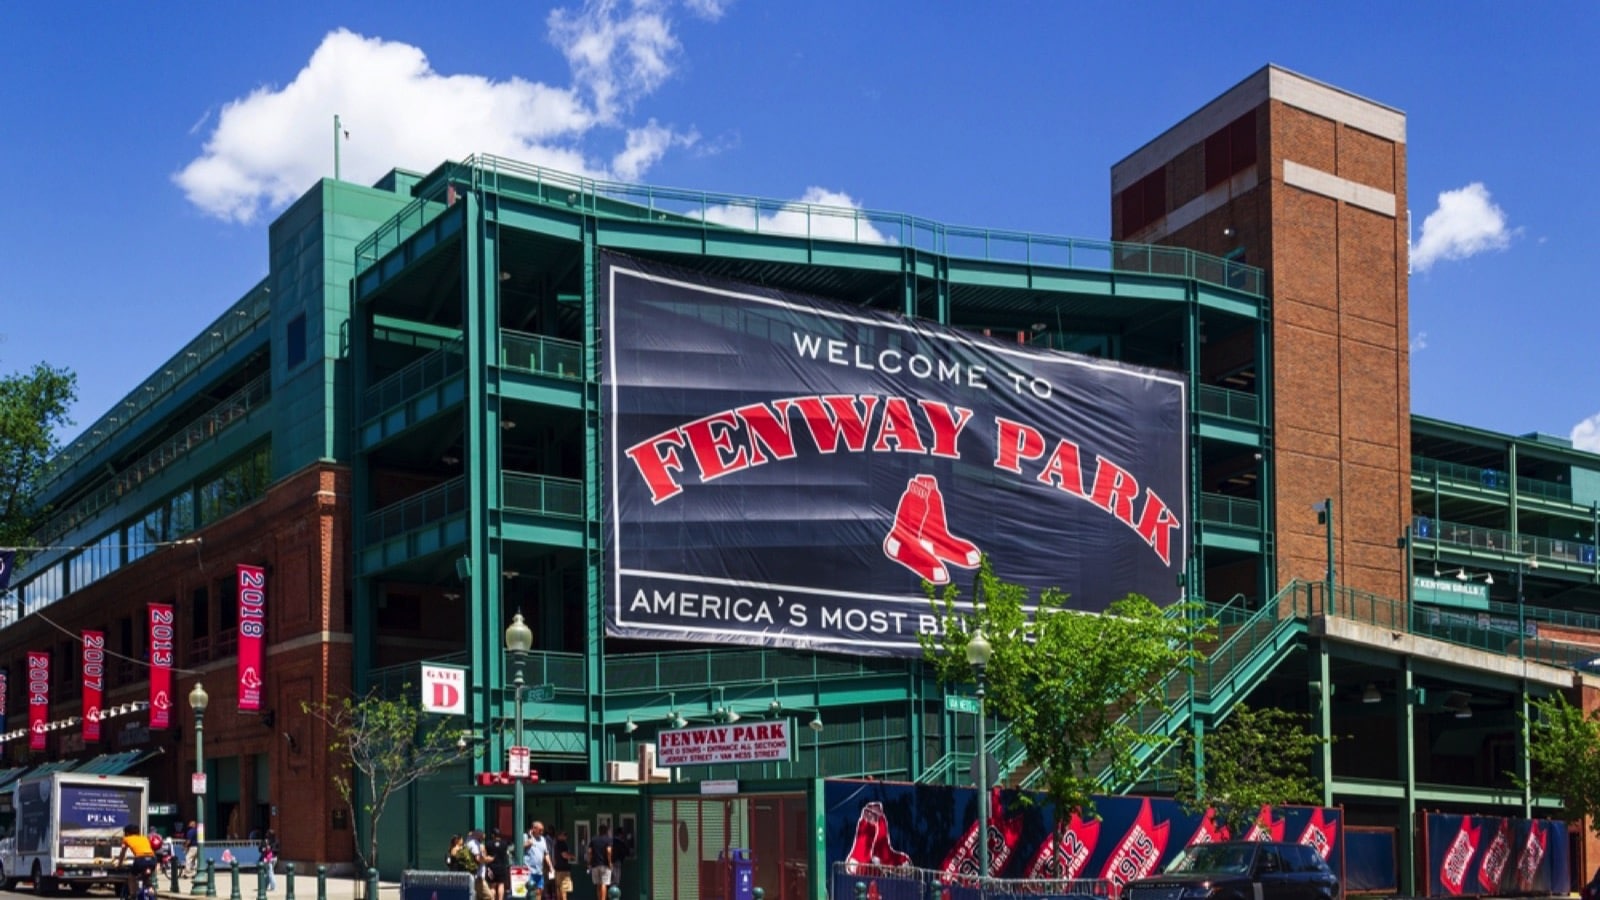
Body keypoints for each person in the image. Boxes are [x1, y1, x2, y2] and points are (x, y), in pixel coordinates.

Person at [116, 824, 158, 900]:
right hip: (152, 859)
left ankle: (133, 895)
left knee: (131, 876)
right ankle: (152, 893)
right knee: (147, 879)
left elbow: (122, 853)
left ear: (127, 833)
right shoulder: (144, 838)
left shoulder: (126, 839)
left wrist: (119, 864)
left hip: (140, 860)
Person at [522, 821, 552, 898]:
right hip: (529, 870)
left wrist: (550, 866)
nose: (542, 832)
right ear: (534, 829)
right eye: (540, 830)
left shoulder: (542, 839)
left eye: (542, 830)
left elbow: (546, 854)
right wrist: (526, 844)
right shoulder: (525, 836)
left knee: (540, 890)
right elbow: (516, 848)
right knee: (529, 891)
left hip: (539, 871)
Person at [585, 823, 614, 895]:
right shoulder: (608, 839)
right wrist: (610, 862)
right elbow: (609, 851)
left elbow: (589, 852)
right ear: (606, 831)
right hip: (605, 865)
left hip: (595, 865)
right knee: (604, 884)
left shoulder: (594, 839)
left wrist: (589, 862)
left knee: (598, 884)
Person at [484, 826, 511, 900]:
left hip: (491, 867)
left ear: (493, 835)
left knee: (492, 886)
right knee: (501, 884)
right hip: (501, 867)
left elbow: (485, 855)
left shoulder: (488, 843)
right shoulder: (504, 843)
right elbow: (507, 853)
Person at [549, 828, 574, 900]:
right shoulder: (562, 844)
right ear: (559, 836)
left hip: (557, 869)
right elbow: (564, 855)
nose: (566, 836)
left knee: (558, 888)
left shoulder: (555, 844)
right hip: (563, 870)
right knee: (564, 888)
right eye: (565, 835)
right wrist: (573, 856)